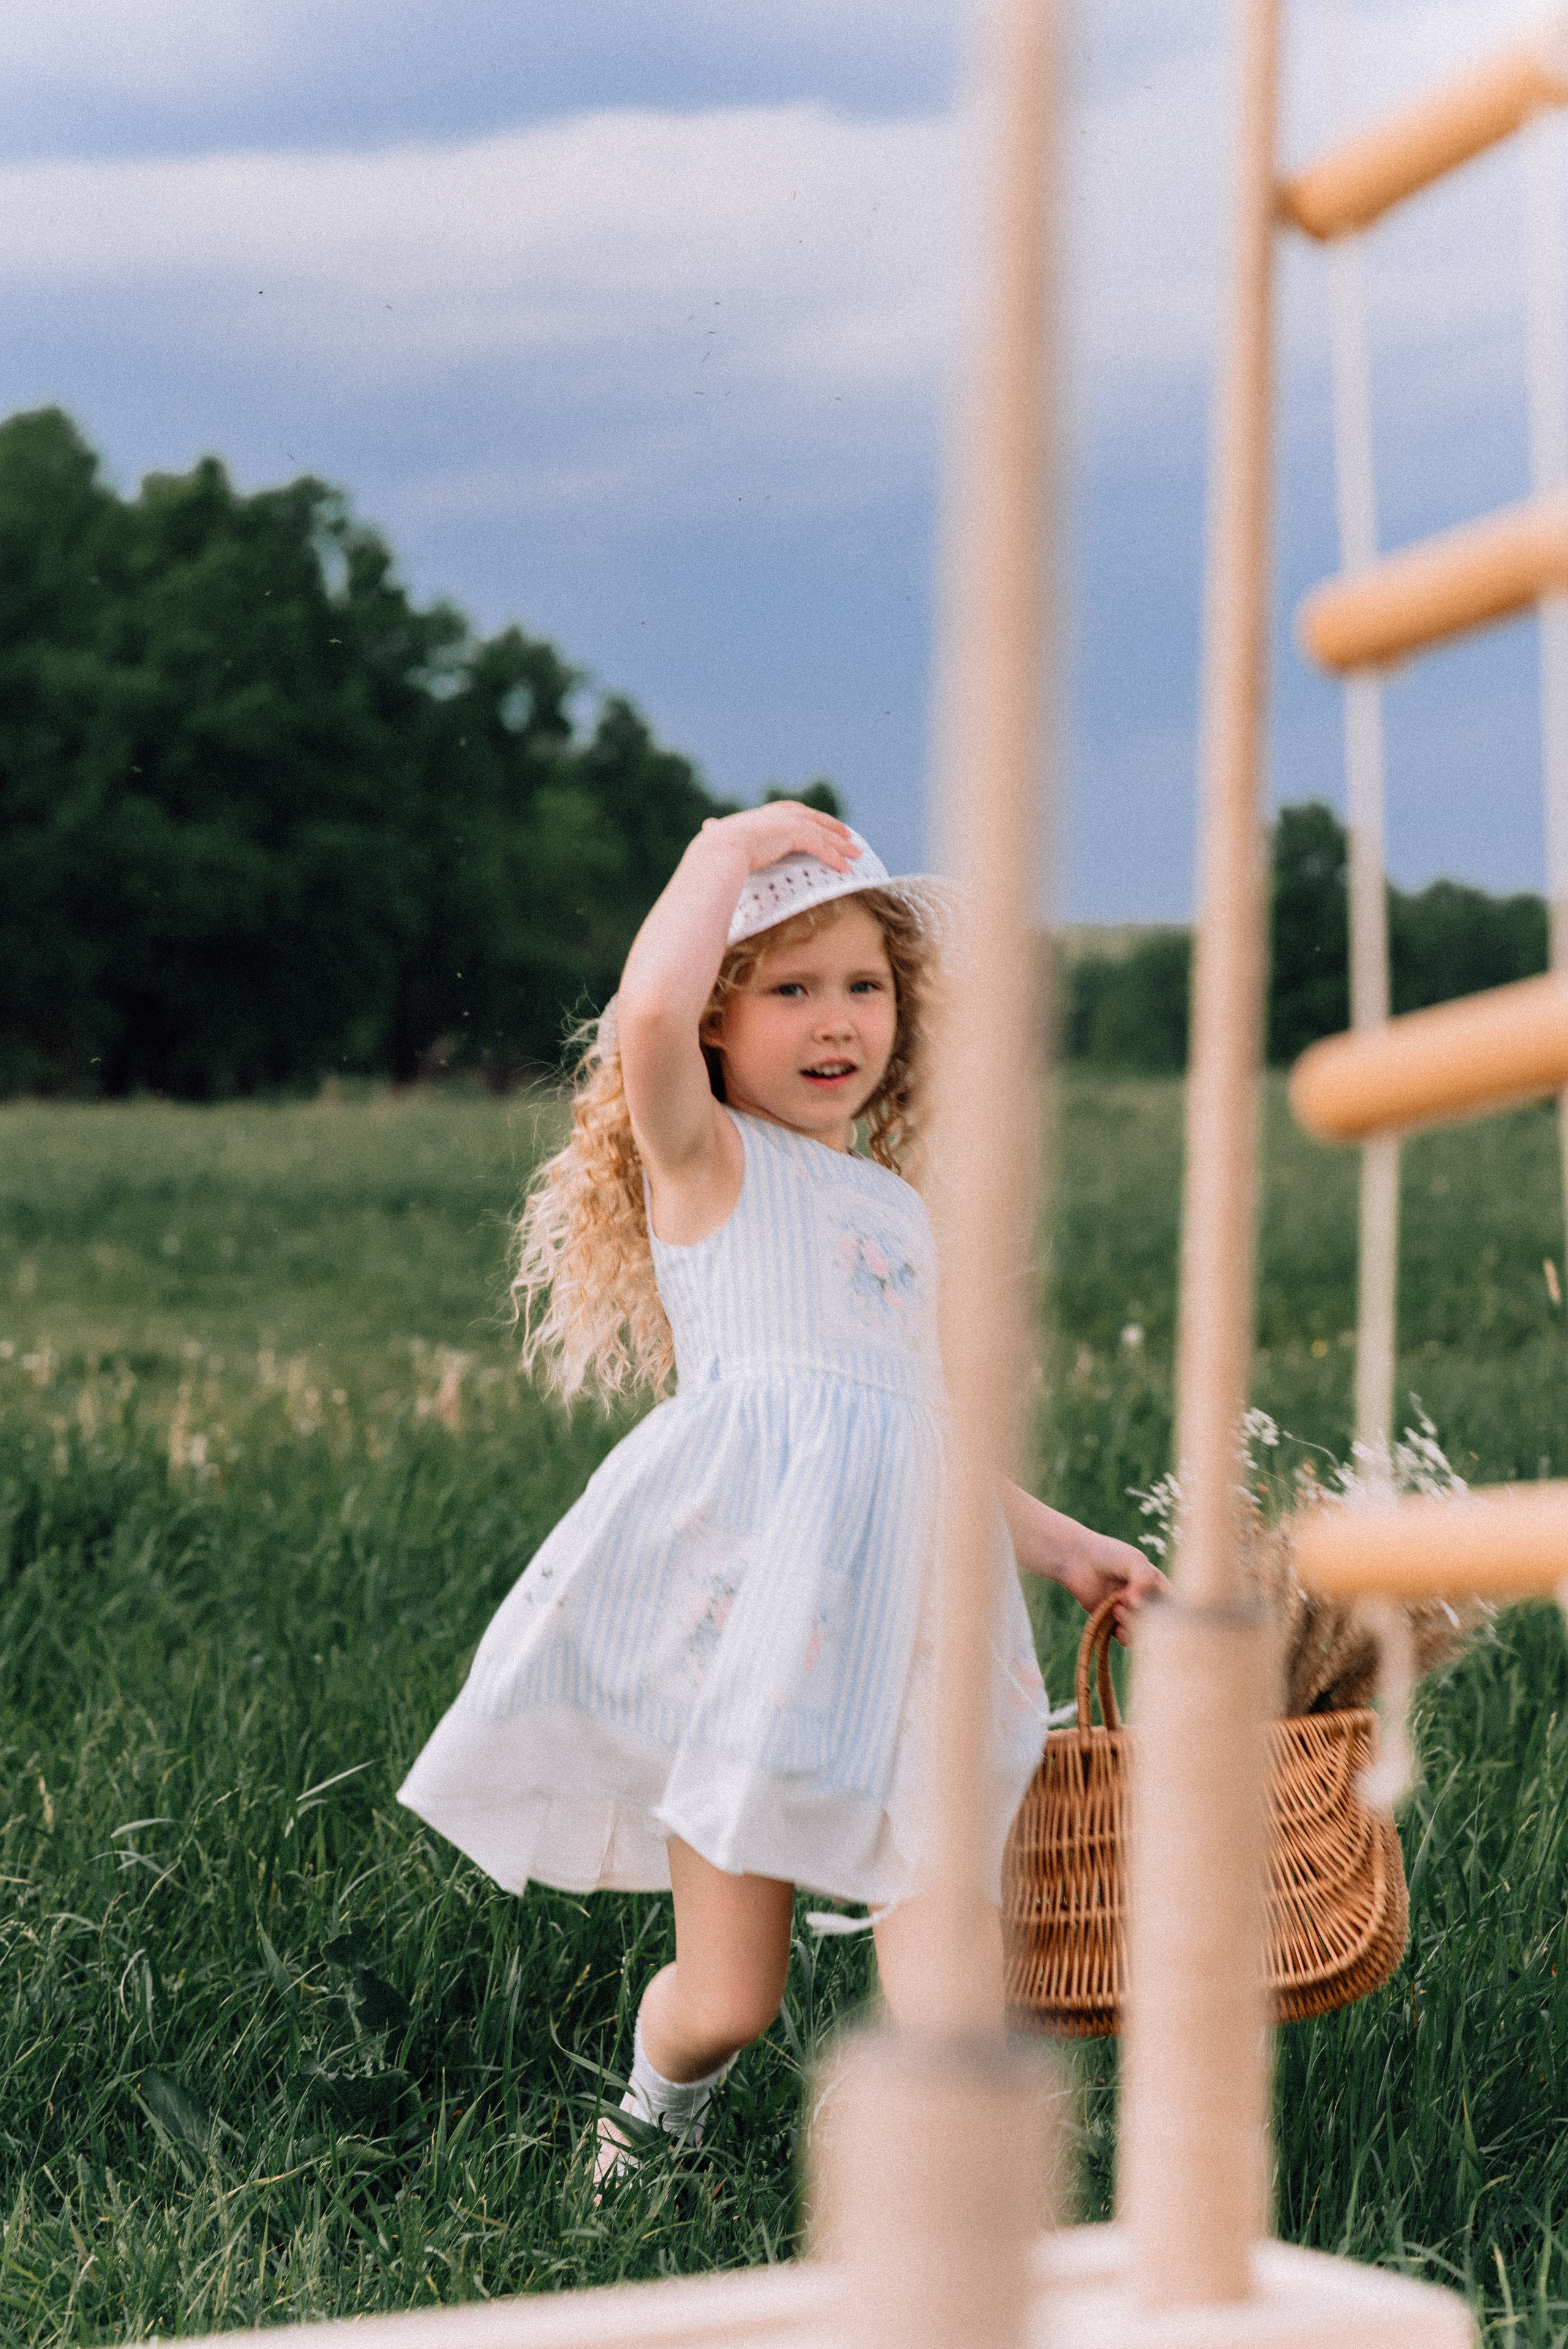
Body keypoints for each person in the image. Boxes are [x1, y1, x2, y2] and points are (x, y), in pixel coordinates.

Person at [398, 801, 1163, 2179]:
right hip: (760, 1622)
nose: (836, 1023)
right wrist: (717, 850)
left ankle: (952, 2213)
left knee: (950, 1973)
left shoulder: (893, 1208)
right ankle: (652, 2120)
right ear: (715, 1022)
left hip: (920, 1619)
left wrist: (1059, 1547)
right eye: (791, 989)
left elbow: (924, 1424)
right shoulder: (707, 1161)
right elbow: (640, 1019)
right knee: (728, 2001)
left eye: (863, 987)